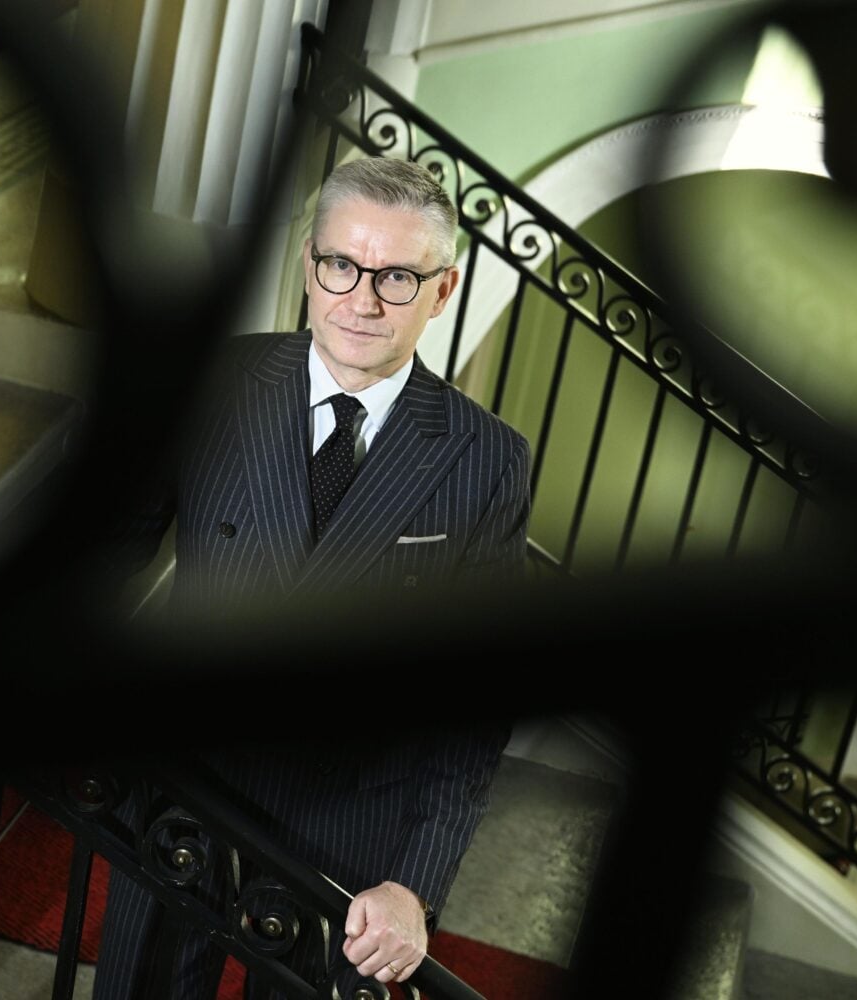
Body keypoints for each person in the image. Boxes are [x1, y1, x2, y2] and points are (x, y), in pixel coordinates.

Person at [89, 155, 532, 998]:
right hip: (186, 788)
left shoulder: (487, 460)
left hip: (347, 836)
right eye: (341, 265)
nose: (362, 300)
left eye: (397, 276)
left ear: (443, 291)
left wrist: (415, 885)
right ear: (308, 264)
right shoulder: (217, 380)